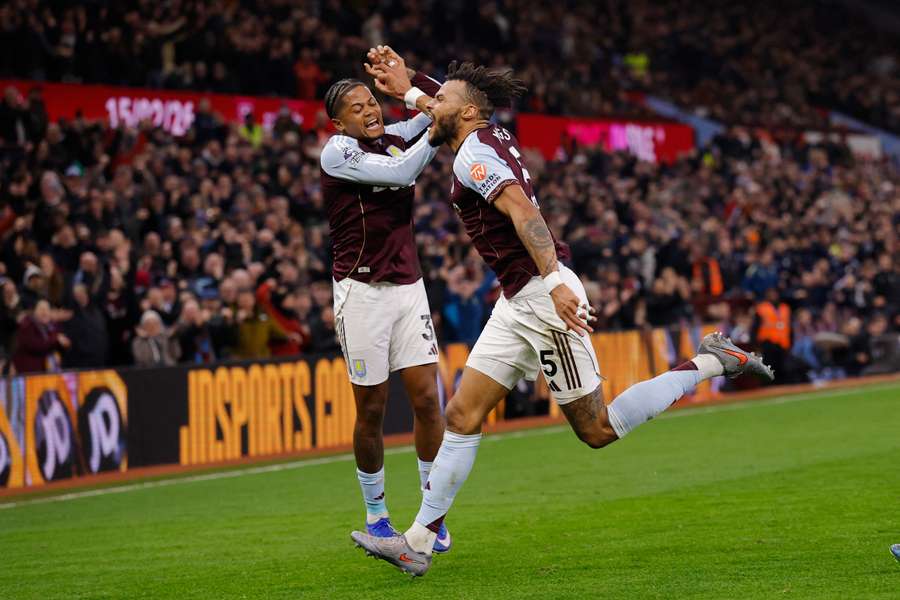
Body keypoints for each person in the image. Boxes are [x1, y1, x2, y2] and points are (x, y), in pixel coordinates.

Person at [352, 56, 775, 576]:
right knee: (462, 415)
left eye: (439, 102)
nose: (429, 106)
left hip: (541, 296)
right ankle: (417, 542)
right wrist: (411, 87)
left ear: (464, 113)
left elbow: (527, 216)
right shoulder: (483, 133)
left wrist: (554, 283)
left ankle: (711, 362)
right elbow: (447, 105)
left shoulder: (473, 158)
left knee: (597, 429)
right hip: (516, 299)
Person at [319, 47, 450, 552]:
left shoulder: (395, 134)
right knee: (372, 410)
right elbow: (399, 174)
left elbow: (447, 104)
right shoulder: (338, 154)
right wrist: (436, 136)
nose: (371, 111)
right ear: (338, 122)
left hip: (408, 289)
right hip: (361, 293)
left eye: (372, 101)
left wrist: (409, 76)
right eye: (358, 107)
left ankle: (430, 516)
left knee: (427, 402)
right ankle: (376, 515)